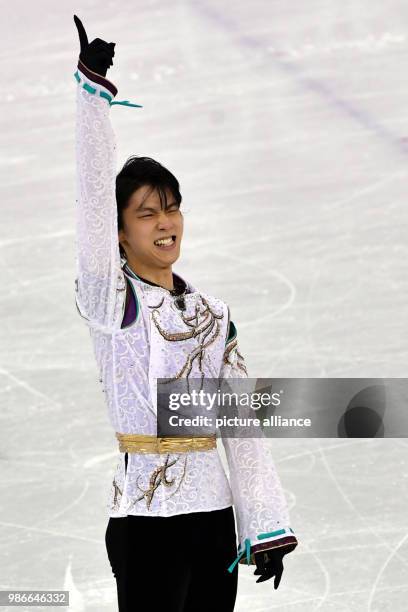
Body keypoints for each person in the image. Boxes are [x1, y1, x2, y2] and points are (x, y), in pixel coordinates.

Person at [72, 15, 298, 612]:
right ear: (119, 234)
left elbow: (242, 428)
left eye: (172, 208)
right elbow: (93, 200)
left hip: (213, 519)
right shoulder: (112, 304)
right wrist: (91, 98)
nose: (165, 222)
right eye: (147, 213)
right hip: (145, 518)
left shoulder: (213, 315)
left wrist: (264, 525)